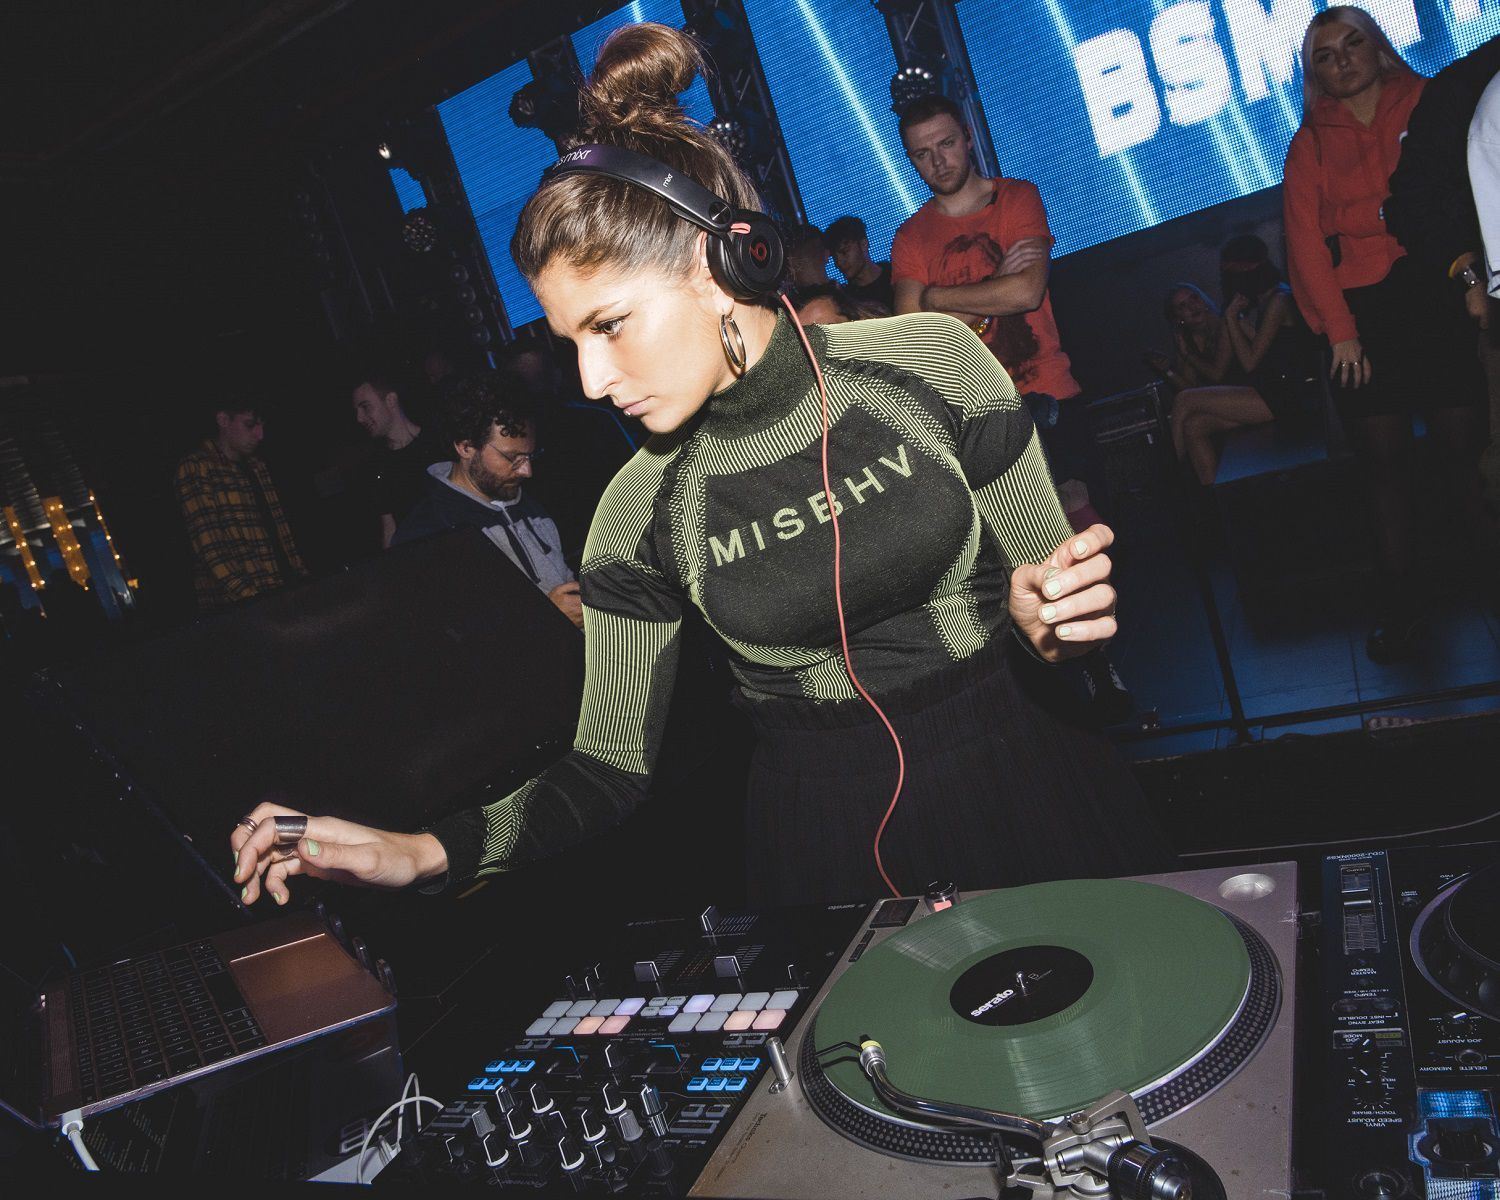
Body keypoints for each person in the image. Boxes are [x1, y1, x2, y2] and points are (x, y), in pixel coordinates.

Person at [231, 23, 1171, 911]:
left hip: (1029, 772)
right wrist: (417, 852)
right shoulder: (635, 510)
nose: (591, 380)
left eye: (609, 325)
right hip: (826, 841)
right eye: (571, 343)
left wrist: (1053, 629)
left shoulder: (932, 360)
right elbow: (605, 768)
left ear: (720, 265)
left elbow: (1066, 612)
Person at [1283, 6, 1495, 662]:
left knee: (1467, 456)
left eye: (1353, 43)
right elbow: (1305, 246)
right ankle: (1405, 613)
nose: (1342, 59)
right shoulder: (1309, 142)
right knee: (1385, 469)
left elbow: (1463, 195)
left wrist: (1473, 281)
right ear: (1314, 73)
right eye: (1325, 54)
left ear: (1379, 47)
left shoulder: (1430, 101)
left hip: (1440, 291)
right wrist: (1340, 333)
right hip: (1362, 318)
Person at [890, 94, 1105, 536]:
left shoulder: (1016, 198)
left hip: (1047, 389)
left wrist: (937, 298)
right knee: (1015, 536)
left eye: (946, 143)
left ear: (968, 138)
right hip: (975, 411)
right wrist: (994, 283)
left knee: (1078, 515)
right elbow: (915, 338)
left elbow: (1026, 291)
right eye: (922, 154)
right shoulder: (910, 237)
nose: (938, 161)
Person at [393, 374, 583, 629]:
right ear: (465, 447)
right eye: (513, 458)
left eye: (529, 456)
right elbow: (445, 637)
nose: (527, 471)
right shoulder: (427, 534)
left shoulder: (532, 507)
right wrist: (545, 618)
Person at [1163, 237, 1320, 486]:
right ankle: (1216, 501)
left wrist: (1229, 317)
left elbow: (1249, 362)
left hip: (1290, 395)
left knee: (1185, 400)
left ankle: (1168, 481)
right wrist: (1236, 319)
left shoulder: (1279, 299)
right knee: (1194, 426)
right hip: (1274, 391)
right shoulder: (1268, 301)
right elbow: (1263, 346)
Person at [174, 397, 306, 613]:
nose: (260, 435)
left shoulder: (257, 466)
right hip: (240, 607)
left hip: (282, 590)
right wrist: (251, 598)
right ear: (223, 420)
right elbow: (210, 548)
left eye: (261, 425)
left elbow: (282, 534)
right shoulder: (197, 467)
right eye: (250, 424)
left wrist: (301, 578)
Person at [351, 362, 448, 547]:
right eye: (357, 411)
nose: (359, 418)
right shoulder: (378, 467)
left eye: (365, 407)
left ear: (391, 401)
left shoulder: (439, 443)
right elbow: (389, 530)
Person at [825, 215, 895, 311]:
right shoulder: (847, 300)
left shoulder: (897, 276)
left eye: (844, 252)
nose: (839, 263)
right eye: (834, 257)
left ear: (863, 244)